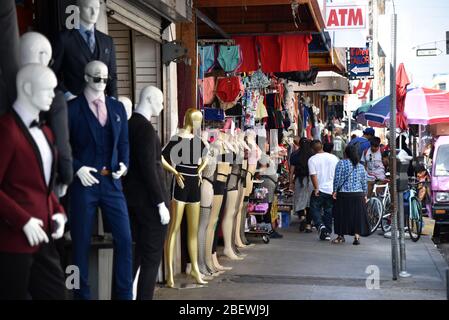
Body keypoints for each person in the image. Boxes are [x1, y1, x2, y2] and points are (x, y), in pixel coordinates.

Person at [332, 145, 370, 245]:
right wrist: (365, 194)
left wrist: (335, 191)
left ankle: (340, 237)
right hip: (358, 194)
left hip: (344, 194)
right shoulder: (361, 166)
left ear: (346, 153)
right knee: (357, 216)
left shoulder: (341, 163)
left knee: (341, 215)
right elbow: (364, 181)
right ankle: (356, 237)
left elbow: (337, 179)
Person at [308, 140, 339, 241]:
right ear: (322, 146)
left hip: (320, 189)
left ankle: (321, 226)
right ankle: (327, 232)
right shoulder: (334, 158)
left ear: (312, 149)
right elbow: (338, 174)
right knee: (328, 211)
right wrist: (336, 189)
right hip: (331, 190)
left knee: (314, 208)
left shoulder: (312, 159)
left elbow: (313, 175)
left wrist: (316, 188)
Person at [292, 138, 314, 232]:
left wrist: (290, 182)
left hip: (299, 180)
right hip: (310, 180)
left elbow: (291, 170)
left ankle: (302, 217)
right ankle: (308, 225)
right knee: (309, 202)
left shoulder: (295, 154)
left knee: (299, 200)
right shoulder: (312, 155)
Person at [259, 154, 283, 239]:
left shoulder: (265, 156)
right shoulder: (263, 156)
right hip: (267, 184)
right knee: (266, 207)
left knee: (267, 207)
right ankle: (268, 229)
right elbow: (263, 169)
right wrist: (276, 177)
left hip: (269, 183)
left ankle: (268, 228)